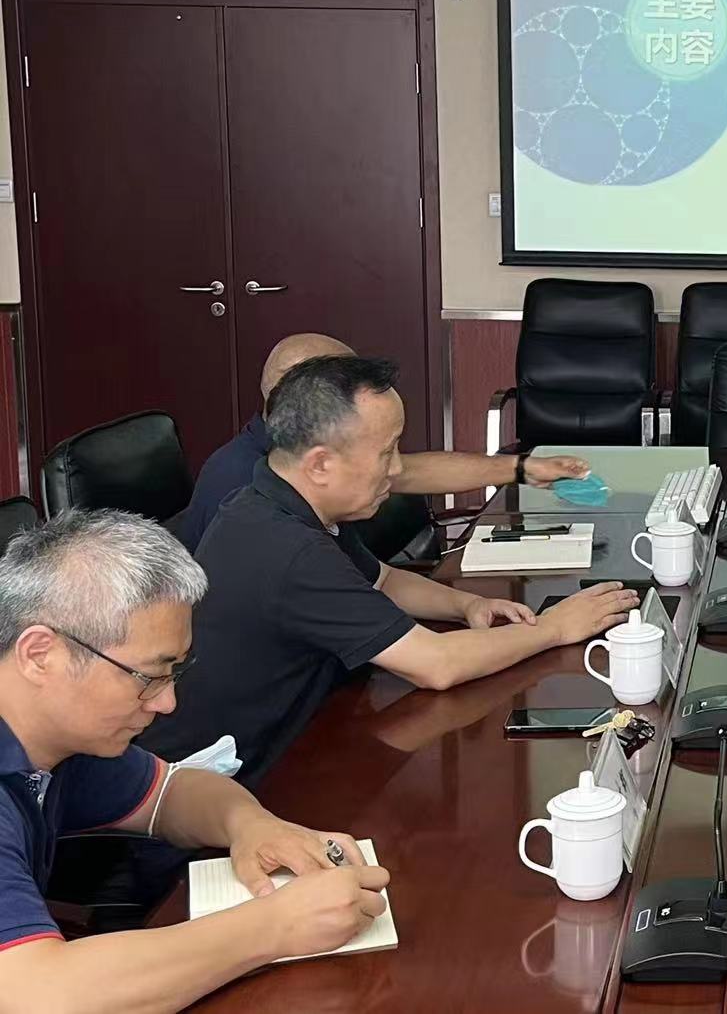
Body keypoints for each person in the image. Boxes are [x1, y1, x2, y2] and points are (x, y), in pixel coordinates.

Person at [141, 356, 637, 781]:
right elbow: (436, 665)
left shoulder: (280, 500)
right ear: (320, 464)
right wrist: (554, 628)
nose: (399, 469)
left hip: (306, 734)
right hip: (236, 780)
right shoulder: (286, 548)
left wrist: (467, 604)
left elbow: (384, 579)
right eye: (386, 452)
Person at [0, 510, 392, 1009]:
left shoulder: (60, 735)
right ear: (40, 655)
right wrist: (274, 926)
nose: (167, 703)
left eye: (174, 673)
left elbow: (172, 791)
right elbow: (33, 995)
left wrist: (251, 826)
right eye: (148, 676)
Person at [177, 333, 591, 551]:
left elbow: (409, 472)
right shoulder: (244, 485)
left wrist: (522, 468)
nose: (392, 466)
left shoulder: (305, 456)